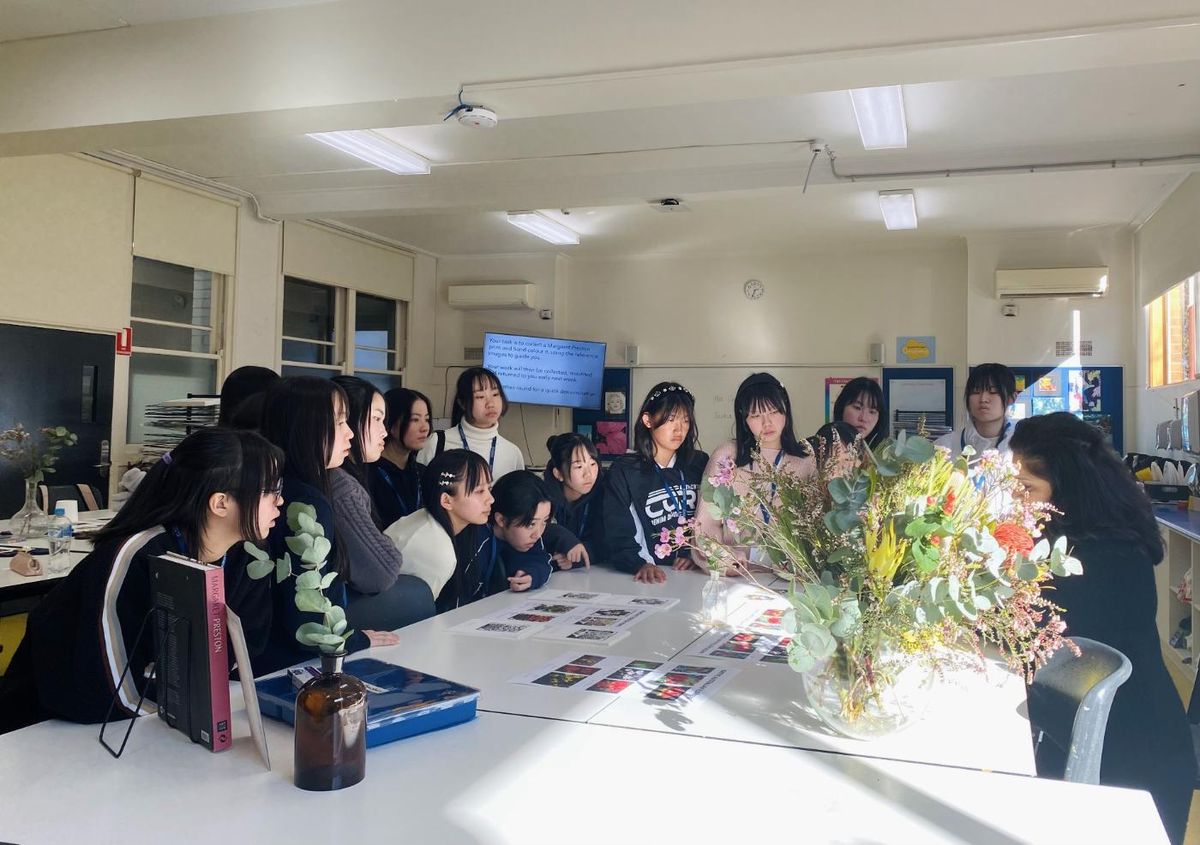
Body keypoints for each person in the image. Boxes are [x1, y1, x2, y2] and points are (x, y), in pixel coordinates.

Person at [0, 428, 283, 734]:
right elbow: (105, 685)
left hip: (150, 721)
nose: (280, 501)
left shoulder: (249, 557)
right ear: (221, 503)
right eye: (271, 490)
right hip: (49, 726)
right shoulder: (136, 556)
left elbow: (245, 646)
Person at [1010, 412, 1196, 845]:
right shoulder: (1093, 533)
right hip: (1108, 735)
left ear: (1068, 485)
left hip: (1132, 756)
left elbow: (1031, 637)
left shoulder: (1099, 554)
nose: (1019, 501)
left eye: (1027, 489)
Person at [254, 377, 399, 676]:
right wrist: (355, 640)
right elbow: (309, 621)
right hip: (289, 668)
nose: (349, 433)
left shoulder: (273, 486)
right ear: (306, 427)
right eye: (340, 422)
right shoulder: (308, 503)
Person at [329, 376, 435, 632]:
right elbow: (382, 572)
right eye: (376, 419)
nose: (384, 432)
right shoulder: (343, 486)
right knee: (418, 594)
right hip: (336, 611)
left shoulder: (350, 477)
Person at [389, 449, 535, 612]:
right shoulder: (435, 551)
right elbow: (418, 615)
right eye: (479, 491)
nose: (491, 499)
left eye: (489, 488)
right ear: (446, 500)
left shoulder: (426, 520)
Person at [695, 373, 815, 572]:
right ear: (744, 419)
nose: (767, 423)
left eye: (774, 411)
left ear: (786, 411)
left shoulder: (806, 462)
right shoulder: (727, 456)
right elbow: (705, 524)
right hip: (737, 574)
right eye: (756, 415)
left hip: (791, 577)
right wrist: (725, 558)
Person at [603, 381, 708, 583]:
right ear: (648, 420)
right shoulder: (625, 470)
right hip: (646, 575)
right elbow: (617, 529)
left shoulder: (698, 463)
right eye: (671, 419)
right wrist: (639, 563)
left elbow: (711, 520)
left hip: (693, 576)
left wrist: (696, 555)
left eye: (686, 420)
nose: (679, 429)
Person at [417, 367, 525, 481]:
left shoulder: (513, 453)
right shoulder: (437, 443)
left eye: (495, 394)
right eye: (480, 396)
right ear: (462, 403)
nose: (490, 404)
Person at [490, 471, 579, 587]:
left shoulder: (530, 541)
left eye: (544, 522)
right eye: (531, 524)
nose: (537, 534)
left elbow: (540, 561)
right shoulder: (478, 540)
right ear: (501, 520)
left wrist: (532, 575)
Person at [370, 387, 432, 529]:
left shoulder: (423, 472)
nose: (424, 428)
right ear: (391, 424)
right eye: (415, 419)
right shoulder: (369, 473)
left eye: (427, 419)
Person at [543, 433, 606, 569]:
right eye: (579, 467)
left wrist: (578, 557)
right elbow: (535, 529)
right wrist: (565, 539)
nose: (589, 474)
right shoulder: (543, 496)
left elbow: (605, 543)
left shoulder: (603, 494)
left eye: (592, 464)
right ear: (558, 474)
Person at [935, 363, 1017, 463]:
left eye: (993, 392)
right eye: (976, 392)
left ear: (1012, 398)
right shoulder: (943, 447)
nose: (983, 399)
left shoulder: (1023, 447)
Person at [832, 377, 887, 448]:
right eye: (857, 407)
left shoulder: (884, 452)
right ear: (841, 408)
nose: (863, 418)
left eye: (872, 412)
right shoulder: (823, 447)